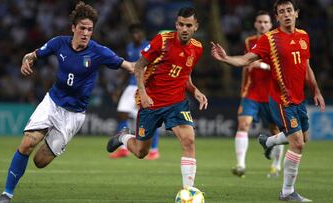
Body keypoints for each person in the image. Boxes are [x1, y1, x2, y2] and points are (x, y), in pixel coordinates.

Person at [0, 2, 135, 203]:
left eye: (90, 29)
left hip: (74, 115)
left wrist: (145, 67)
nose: (86, 33)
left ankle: (54, 139)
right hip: (52, 103)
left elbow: (129, 66)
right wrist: (26, 60)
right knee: (27, 144)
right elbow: (32, 55)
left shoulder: (99, 52)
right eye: (83, 28)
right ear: (73, 28)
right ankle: (6, 194)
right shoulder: (58, 43)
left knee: (40, 162)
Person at [211, 0, 325, 201]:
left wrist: (316, 90)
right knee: (297, 144)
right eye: (282, 12)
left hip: (299, 98)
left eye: (289, 10)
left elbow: (307, 67)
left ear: (296, 13)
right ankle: (287, 192)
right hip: (281, 99)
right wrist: (226, 58)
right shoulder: (270, 39)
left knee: (304, 137)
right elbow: (246, 60)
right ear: (277, 17)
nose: (286, 14)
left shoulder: (304, 36)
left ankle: (269, 140)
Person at [107, 7, 208, 189]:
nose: (184, 29)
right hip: (151, 102)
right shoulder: (162, 41)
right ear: (176, 25)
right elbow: (138, 67)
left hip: (177, 103)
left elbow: (185, 75)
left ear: (196, 27)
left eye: (188, 25)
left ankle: (188, 192)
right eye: (181, 25)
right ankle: (123, 137)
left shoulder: (197, 48)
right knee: (140, 151)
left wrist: (195, 91)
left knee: (188, 140)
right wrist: (143, 94)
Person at [231, 10, 284, 178]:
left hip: (271, 94)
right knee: (243, 125)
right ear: (255, 24)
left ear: (271, 24)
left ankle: (276, 166)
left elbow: (280, 69)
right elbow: (247, 66)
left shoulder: (277, 42)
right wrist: (243, 89)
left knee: (275, 130)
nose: (262, 24)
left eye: (265, 22)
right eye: (259, 21)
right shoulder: (249, 41)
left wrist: (261, 66)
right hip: (251, 93)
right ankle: (240, 165)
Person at [109, 23, 161, 160]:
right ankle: (123, 149)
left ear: (142, 34)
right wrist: (119, 88)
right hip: (132, 86)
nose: (135, 36)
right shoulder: (130, 48)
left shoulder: (150, 46)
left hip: (145, 87)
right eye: (133, 33)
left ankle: (154, 150)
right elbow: (129, 69)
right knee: (122, 114)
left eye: (138, 33)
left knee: (150, 118)